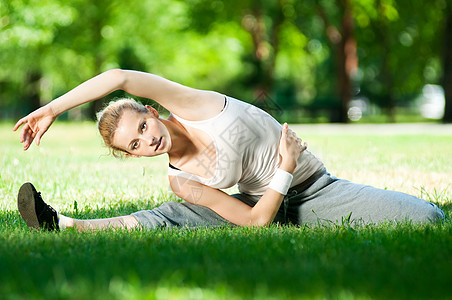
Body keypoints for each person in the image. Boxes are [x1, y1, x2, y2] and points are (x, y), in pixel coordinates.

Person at [14, 69, 444, 231]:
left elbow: (119, 76)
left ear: (152, 109)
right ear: (133, 154)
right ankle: (66, 225)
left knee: (428, 217)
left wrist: (50, 108)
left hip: (312, 191)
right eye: (136, 143)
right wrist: (284, 165)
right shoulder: (180, 179)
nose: (148, 139)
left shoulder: (190, 104)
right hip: (265, 197)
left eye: (143, 125)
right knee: (172, 214)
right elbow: (257, 221)